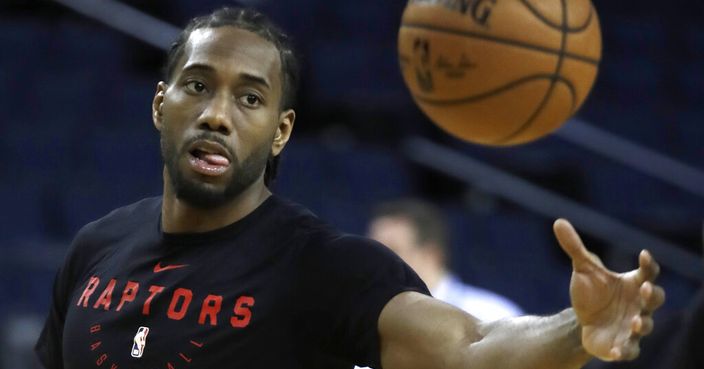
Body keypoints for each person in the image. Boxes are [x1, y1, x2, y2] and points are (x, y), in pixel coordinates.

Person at [35, 6, 665, 369]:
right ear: (159, 105)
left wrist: (573, 331)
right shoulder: (98, 246)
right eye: (197, 85)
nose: (218, 114)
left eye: (250, 98)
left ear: (281, 132)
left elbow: (472, 349)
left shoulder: (323, 267)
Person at [368, 199, 523, 321]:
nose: (376, 262)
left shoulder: (493, 316)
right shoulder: (362, 322)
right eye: (372, 251)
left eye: (391, 250)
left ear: (430, 255)